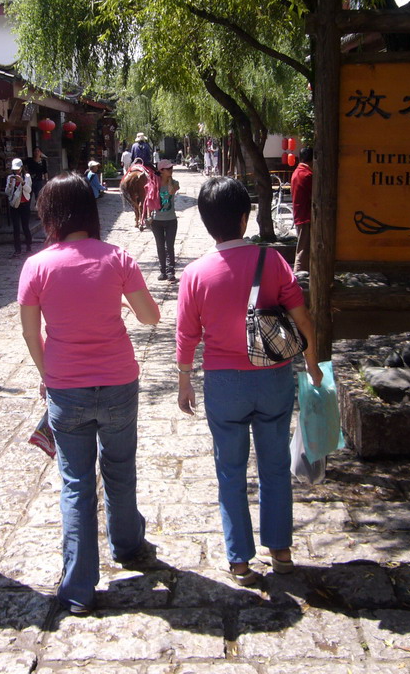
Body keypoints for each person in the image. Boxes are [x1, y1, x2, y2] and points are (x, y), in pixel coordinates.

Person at [18, 172, 161, 615]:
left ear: (49, 214)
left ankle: (79, 585)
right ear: (88, 209)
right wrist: (118, 301)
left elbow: (30, 333)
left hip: (67, 388)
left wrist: (49, 374)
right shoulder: (118, 258)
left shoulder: (37, 266)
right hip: (118, 381)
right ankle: (127, 543)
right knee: (120, 467)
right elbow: (150, 318)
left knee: (76, 481)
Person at [175, 177, 320, 587]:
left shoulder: (195, 274)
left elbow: (187, 334)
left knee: (230, 470)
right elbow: (301, 318)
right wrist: (311, 364)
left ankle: (239, 560)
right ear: (245, 217)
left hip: (223, 384)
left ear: (206, 222)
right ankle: (282, 552)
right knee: (274, 466)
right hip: (272, 377)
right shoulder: (272, 261)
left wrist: (184, 380)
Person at [149, 159, 180, 282]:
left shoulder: (174, 183)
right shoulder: (153, 184)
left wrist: (169, 180)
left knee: (170, 246)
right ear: (161, 171)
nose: (171, 170)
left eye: (171, 168)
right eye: (168, 169)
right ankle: (162, 271)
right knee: (160, 246)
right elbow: (147, 199)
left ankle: (171, 271)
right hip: (156, 221)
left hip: (171, 219)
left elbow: (172, 190)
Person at [290, 147, 313, 273]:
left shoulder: (297, 172)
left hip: (300, 214)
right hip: (306, 215)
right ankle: (299, 274)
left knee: (303, 245)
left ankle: (300, 272)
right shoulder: (307, 174)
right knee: (304, 247)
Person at [5, 158, 33, 257]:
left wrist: (22, 182)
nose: (16, 171)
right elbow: (7, 193)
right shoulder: (10, 177)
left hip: (24, 204)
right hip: (14, 205)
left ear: (21, 168)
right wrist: (9, 185)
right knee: (16, 227)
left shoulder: (27, 176)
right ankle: (17, 249)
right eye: (15, 169)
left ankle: (29, 245)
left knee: (25, 226)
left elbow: (29, 190)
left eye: (18, 169)